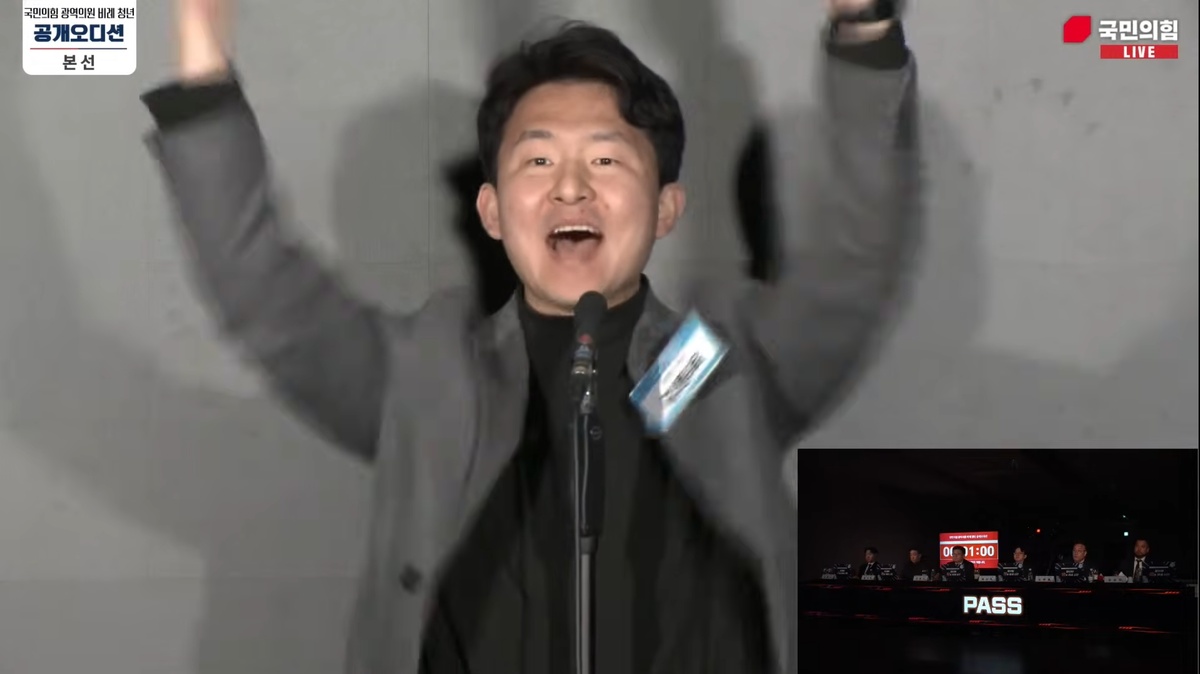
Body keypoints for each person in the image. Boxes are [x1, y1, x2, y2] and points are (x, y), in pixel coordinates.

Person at [142, 1, 918, 672]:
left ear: (665, 209)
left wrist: (862, 29)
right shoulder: (429, 377)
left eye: (606, 159)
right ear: (492, 212)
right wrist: (202, 62)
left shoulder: (720, 370)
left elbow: (857, 260)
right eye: (538, 159)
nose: (570, 187)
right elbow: (267, 296)